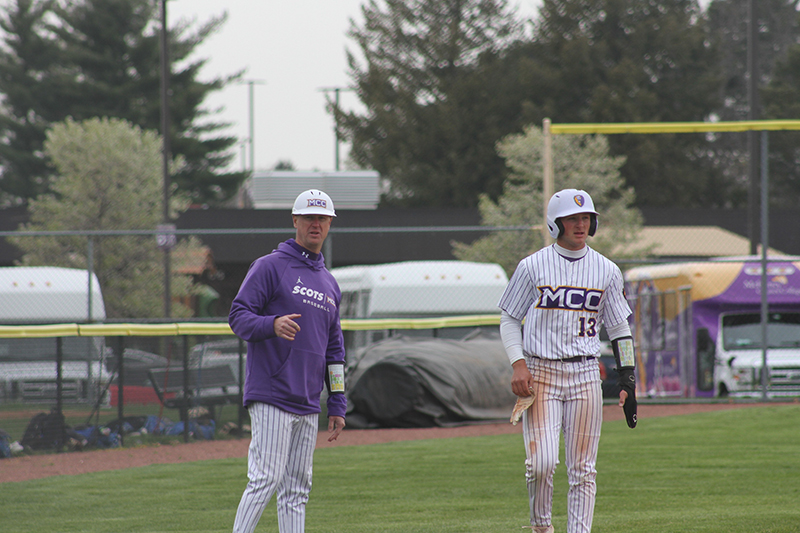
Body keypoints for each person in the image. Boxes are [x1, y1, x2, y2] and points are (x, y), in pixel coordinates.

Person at [497, 188, 637, 533]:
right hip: (541, 372)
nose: (580, 224)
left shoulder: (607, 270)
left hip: (586, 372)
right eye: (572, 218)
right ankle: (542, 527)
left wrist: (628, 380)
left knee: (583, 468)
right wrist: (518, 362)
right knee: (542, 463)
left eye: (586, 218)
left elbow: (620, 328)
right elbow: (509, 319)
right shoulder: (532, 265)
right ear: (555, 223)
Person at [229, 189, 347, 533]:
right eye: (309, 217)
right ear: (295, 220)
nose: (316, 224)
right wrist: (271, 324)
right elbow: (238, 316)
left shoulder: (329, 283)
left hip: (308, 401)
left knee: (297, 489)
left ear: (329, 225)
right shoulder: (271, 266)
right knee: (265, 478)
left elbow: (335, 350)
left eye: (322, 218)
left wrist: (337, 401)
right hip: (272, 393)